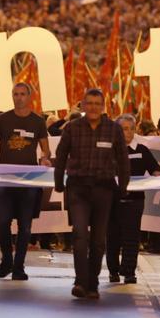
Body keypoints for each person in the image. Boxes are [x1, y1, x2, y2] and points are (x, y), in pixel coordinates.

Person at [54, 88, 129, 300]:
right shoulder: (72, 128)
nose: (94, 107)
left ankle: (93, 282)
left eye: (98, 103)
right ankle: (80, 281)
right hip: (78, 188)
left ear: (103, 106)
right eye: (90, 103)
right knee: (79, 235)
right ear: (83, 105)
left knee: (98, 240)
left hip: (104, 189)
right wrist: (59, 182)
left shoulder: (113, 129)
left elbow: (123, 160)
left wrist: (123, 187)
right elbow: (60, 156)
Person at [0, 82, 52, 280]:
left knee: (25, 225)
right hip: (5, 180)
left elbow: (46, 149)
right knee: (3, 221)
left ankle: (19, 266)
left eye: (23, 94)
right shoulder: (3, 119)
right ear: (12, 96)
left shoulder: (38, 121)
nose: (19, 97)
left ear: (29, 96)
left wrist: (44, 158)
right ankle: (6, 260)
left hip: (28, 182)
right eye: (15, 94)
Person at [106, 113, 160, 284]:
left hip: (135, 201)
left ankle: (129, 272)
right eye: (123, 129)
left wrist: (156, 176)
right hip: (113, 201)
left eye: (131, 129)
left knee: (131, 237)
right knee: (112, 237)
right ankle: (113, 271)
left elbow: (156, 169)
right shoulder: (108, 151)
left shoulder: (142, 150)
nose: (127, 133)